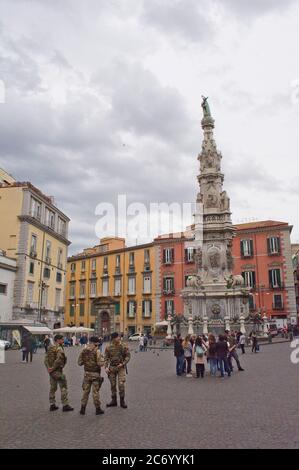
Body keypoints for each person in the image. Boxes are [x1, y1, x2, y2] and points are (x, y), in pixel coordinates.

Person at [44, 334, 74, 412]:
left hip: (51, 372)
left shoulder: (50, 348)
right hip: (57, 371)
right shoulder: (59, 348)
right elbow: (58, 360)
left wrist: (49, 369)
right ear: (57, 340)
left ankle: (52, 404)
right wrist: (53, 368)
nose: (63, 340)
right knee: (63, 387)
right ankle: (65, 405)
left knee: (53, 388)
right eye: (62, 339)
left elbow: (45, 360)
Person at [78, 336, 105, 415]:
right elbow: (100, 363)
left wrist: (86, 362)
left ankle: (82, 409)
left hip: (86, 374)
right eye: (97, 344)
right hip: (95, 374)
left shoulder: (83, 350)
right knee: (95, 392)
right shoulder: (97, 351)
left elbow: (79, 363)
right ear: (94, 343)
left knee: (85, 392)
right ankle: (98, 409)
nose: (98, 346)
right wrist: (103, 359)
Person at [104, 332, 131, 408]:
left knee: (121, 384)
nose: (119, 338)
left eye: (119, 337)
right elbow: (106, 358)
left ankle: (122, 401)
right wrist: (106, 367)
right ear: (113, 338)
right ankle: (114, 401)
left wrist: (123, 363)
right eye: (117, 337)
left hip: (120, 367)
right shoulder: (108, 347)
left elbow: (128, 356)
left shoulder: (123, 346)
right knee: (112, 385)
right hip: (112, 368)